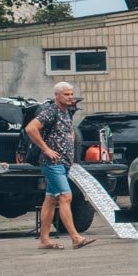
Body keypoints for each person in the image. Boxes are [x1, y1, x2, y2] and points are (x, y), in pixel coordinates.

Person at [26, 82, 96, 250]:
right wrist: (46, 149)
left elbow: (67, 133)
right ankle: (75, 237)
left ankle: (44, 240)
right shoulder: (51, 111)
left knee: (50, 199)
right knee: (66, 196)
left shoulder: (66, 113)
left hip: (63, 163)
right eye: (66, 94)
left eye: (71, 94)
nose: (70, 97)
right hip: (52, 162)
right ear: (57, 96)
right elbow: (31, 128)